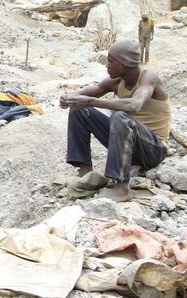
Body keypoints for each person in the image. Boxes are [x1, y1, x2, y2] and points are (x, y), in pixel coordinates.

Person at [60, 40, 170, 202]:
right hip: (129, 146)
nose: (107, 65)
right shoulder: (117, 81)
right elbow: (86, 94)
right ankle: (85, 171)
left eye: (111, 61)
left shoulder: (148, 78)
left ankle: (121, 188)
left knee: (119, 116)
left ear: (125, 63)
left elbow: (134, 105)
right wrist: (70, 99)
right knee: (80, 110)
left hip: (154, 149)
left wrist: (91, 101)